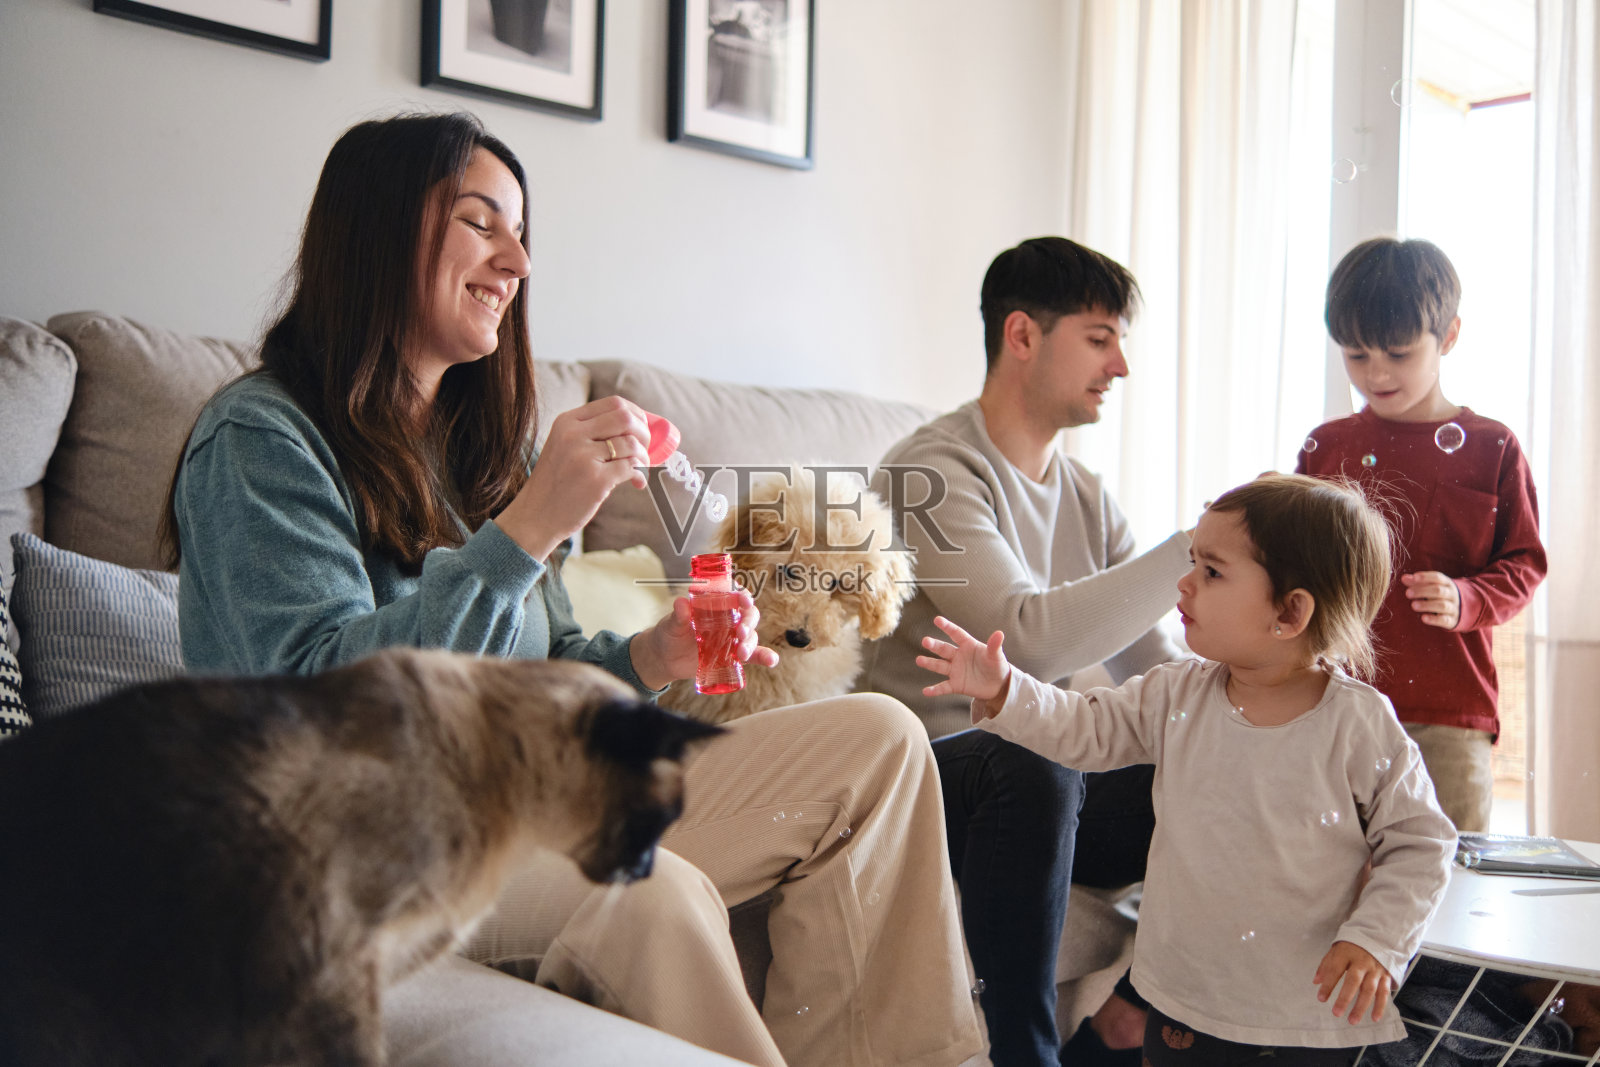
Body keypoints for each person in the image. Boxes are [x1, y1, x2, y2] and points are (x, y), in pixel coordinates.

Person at [163, 111, 983, 1067]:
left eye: (521, 232)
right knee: (653, 887)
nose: (516, 260)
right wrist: (526, 530)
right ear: (381, 228)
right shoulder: (260, 440)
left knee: (878, 739)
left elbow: (550, 668)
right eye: (481, 222)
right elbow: (323, 704)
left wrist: (650, 656)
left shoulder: (472, 448)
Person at [918, 473, 1458, 1067]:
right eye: (1193, 563)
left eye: (1212, 571)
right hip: (1182, 1001)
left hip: (1301, 1015)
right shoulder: (1177, 693)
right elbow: (1083, 728)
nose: (1184, 583)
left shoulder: (1359, 724)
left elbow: (1421, 841)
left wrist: (1376, 938)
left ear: (1290, 612)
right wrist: (1006, 690)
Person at [860, 236, 1192, 1066]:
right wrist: (1196, 549)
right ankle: (1022, 1054)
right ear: (1022, 336)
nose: (1120, 365)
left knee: (1220, 763)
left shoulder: (1085, 495)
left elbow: (1157, 668)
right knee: (1034, 756)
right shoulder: (926, 475)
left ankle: (1141, 1009)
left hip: (1036, 780)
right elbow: (1025, 641)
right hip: (927, 776)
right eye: (1099, 336)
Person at [1297, 237, 1547, 833]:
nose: (1375, 373)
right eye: (1355, 356)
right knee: (1330, 875)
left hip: (1450, 714)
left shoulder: (1492, 446)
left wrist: (1468, 599)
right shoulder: (1328, 446)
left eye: (1399, 354)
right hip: (1333, 702)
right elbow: (1292, 563)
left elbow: (1526, 563)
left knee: (1450, 881)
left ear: (1450, 337)